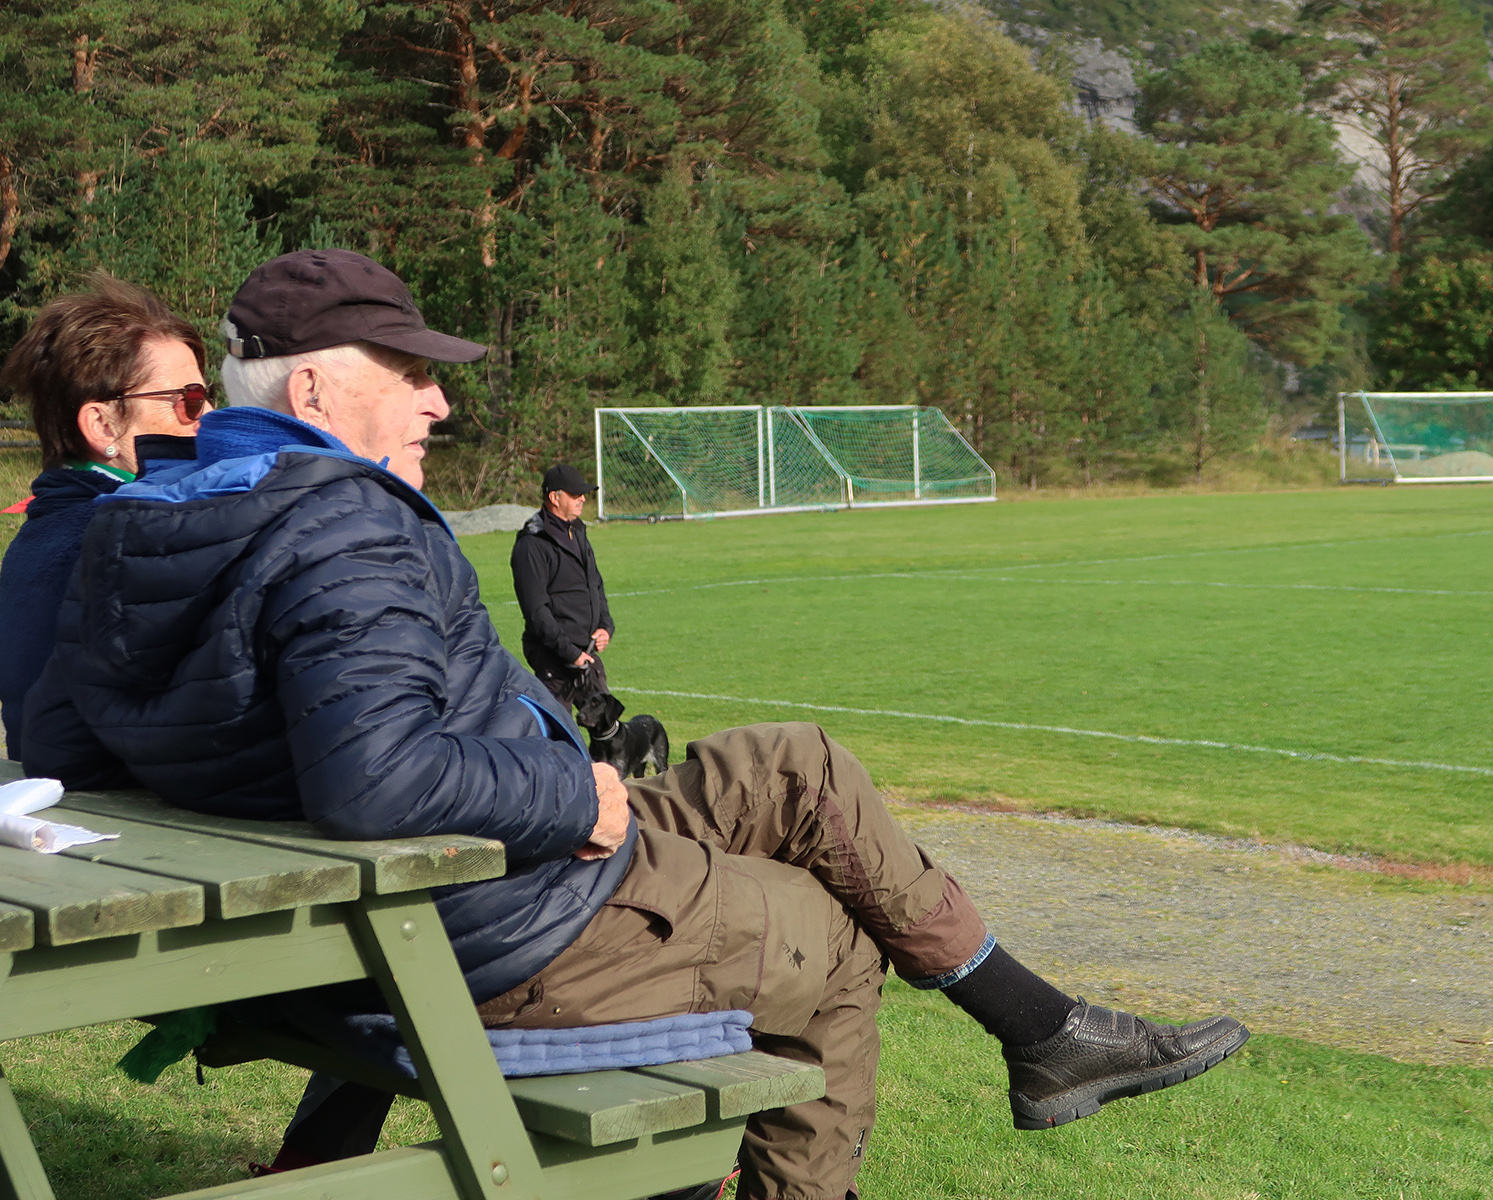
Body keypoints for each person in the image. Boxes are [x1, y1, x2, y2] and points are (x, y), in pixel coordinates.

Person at [20, 249, 1247, 1200]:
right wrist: (576, 795)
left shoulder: (138, 522)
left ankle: (1047, 1032)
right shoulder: (344, 526)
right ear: (312, 386)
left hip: (425, 898)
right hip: (491, 919)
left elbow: (71, 752)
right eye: (411, 373)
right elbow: (376, 780)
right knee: (831, 942)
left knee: (795, 766)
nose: (439, 402)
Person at [0, 274, 211, 758]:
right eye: (189, 401)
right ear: (102, 425)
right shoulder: (117, 540)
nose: (209, 416)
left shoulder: (50, 529)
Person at [511, 464, 615, 742]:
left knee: (609, 735)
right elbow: (536, 611)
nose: (583, 499)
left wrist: (605, 626)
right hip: (554, 661)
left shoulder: (577, 531)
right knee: (561, 741)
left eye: (583, 493)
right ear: (554, 498)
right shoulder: (532, 544)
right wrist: (569, 653)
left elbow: (595, 584)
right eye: (575, 494)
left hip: (587, 654)